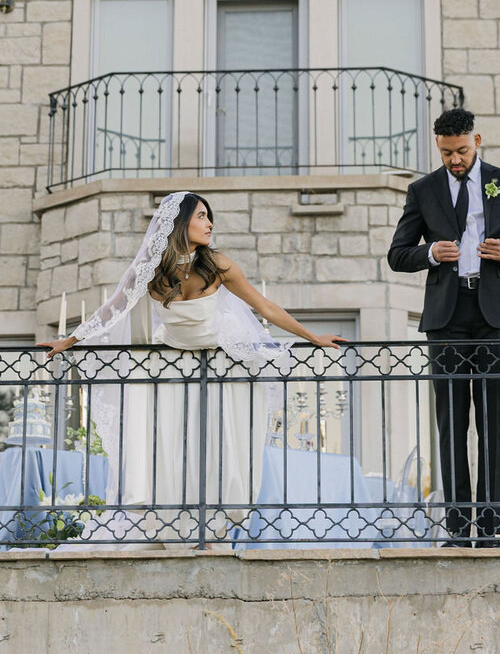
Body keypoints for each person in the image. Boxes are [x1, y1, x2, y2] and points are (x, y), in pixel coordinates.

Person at [40, 191, 342, 543]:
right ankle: (169, 524)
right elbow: (112, 310)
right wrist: (68, 341)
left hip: (223, 367)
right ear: (179, 223)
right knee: (169, 447)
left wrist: (312, 336)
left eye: (208, 216)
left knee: (220, 448)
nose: (209, 223)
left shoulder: (219, 266)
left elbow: (265, 307)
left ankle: (212, 531)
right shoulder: (149, 271)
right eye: (201, 216)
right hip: (170, 369)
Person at [387, 108, 500, 548]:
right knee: (451, 421)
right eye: (446, 153)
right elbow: (397, 254)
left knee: (492, 422)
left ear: (476, 141)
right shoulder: (422, 191)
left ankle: (492, 531)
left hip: (493, 312)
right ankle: (458, 531)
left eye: (461, 151)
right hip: (446, 316)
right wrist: (428, 254)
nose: (454, 160)